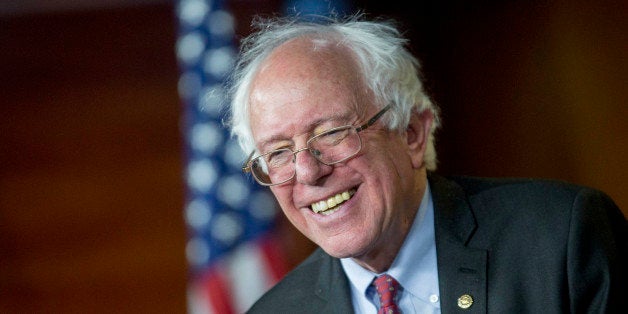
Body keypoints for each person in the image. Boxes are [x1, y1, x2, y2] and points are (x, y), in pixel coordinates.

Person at [225, 13, 627, 313]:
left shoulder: (562, 240)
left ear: (412, 133)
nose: (309, 173)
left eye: (331, 133)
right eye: (278, 153)